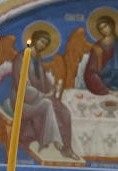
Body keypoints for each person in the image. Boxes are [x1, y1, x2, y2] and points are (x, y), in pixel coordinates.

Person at [12, 30, 79, 160]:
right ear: (35, 40)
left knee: (65, 112)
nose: (43, 45)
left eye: (46, 43)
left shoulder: (38, 59)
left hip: (41, 97)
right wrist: (43, 95)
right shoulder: (21, 58)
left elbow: (43, 80)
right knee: (47, 104)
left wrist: (53, 88)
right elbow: (22, 85)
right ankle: (54, 143)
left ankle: (67, 148)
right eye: (42, 41)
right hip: (24, 100)